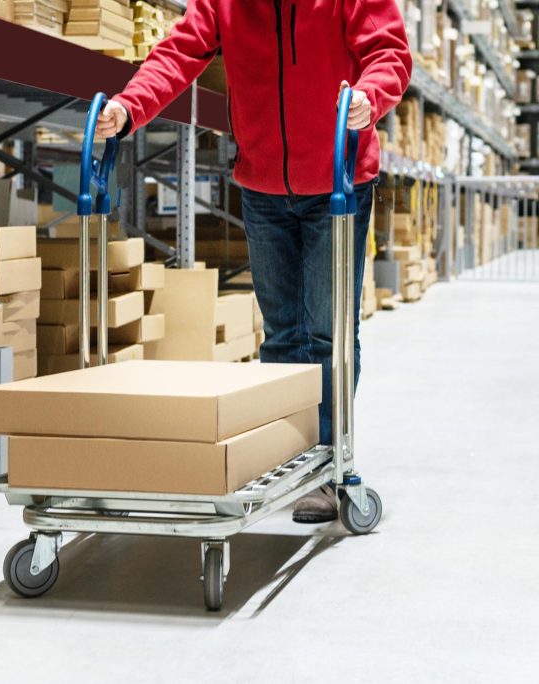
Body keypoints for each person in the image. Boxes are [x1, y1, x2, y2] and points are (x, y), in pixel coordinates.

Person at [98, 0, 411, 523]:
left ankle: (333, 467)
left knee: (327, 333)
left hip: (338, 180)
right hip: (263, 185)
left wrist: (369, 96)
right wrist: (131, 107)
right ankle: (289, 459)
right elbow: (178, 53)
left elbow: (389, 52)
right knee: (283, 334)